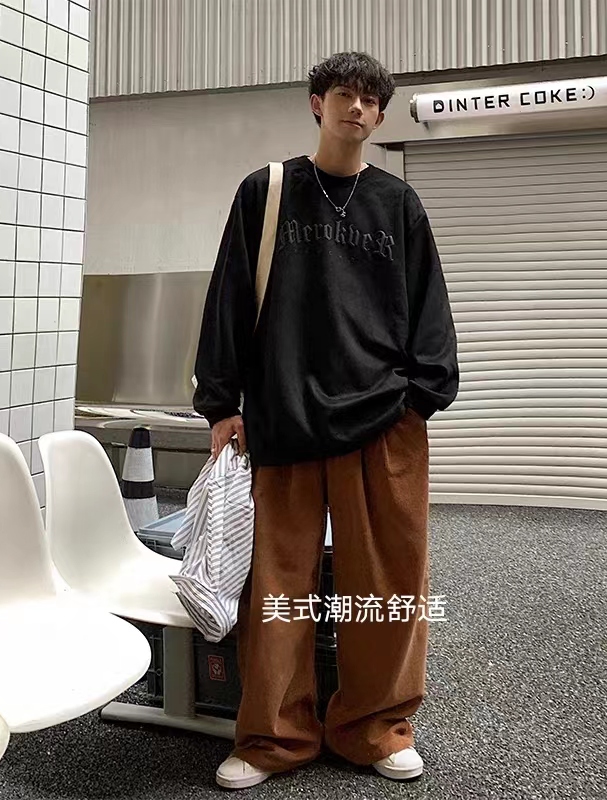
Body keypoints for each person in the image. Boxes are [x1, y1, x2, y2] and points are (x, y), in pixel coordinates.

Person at [192, 51, 459, 791]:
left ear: (381, 114)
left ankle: (375, 728)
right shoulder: (268, 190)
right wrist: (222, 404)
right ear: (317, 102)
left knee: (389, 583)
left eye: (371, 100)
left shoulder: (397, 203)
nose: (358, 109)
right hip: (284, 413)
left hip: (384, 418)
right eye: (345, 94)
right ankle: (273, 737)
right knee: (278, 585)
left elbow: (430, 306)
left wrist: (420, 398)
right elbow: (229, 297)